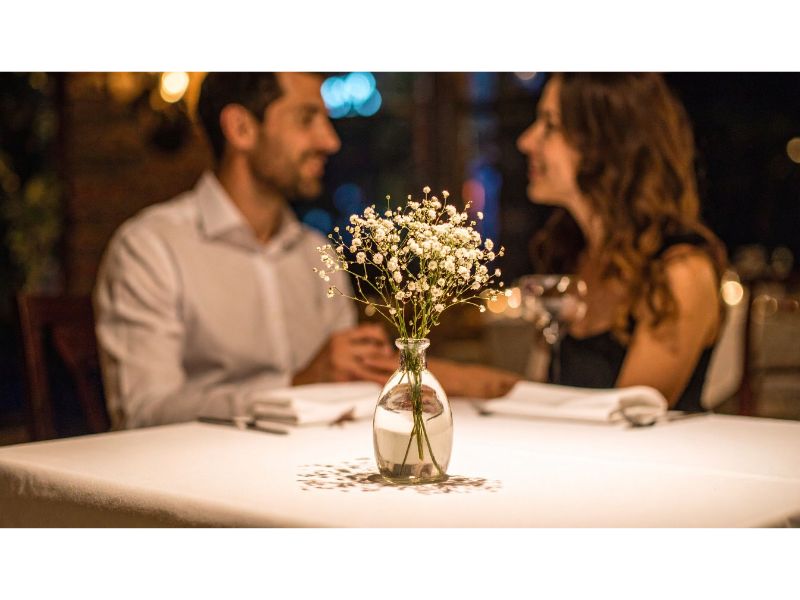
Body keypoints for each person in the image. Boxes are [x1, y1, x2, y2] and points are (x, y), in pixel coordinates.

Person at [95, 72, 516, 429]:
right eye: (306, 119)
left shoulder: (317, 254)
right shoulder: (151, 248)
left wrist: (492, 385)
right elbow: (143, 412)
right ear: (241, 128)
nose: (330, 141)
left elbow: (351, 384)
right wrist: (295, 385)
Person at [516, 73, 726, 411]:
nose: (526, 141)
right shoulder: (571, 255)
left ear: (604, 143)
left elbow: (622, 419)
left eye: (549, 125)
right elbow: (541, 395)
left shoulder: (679, 271)